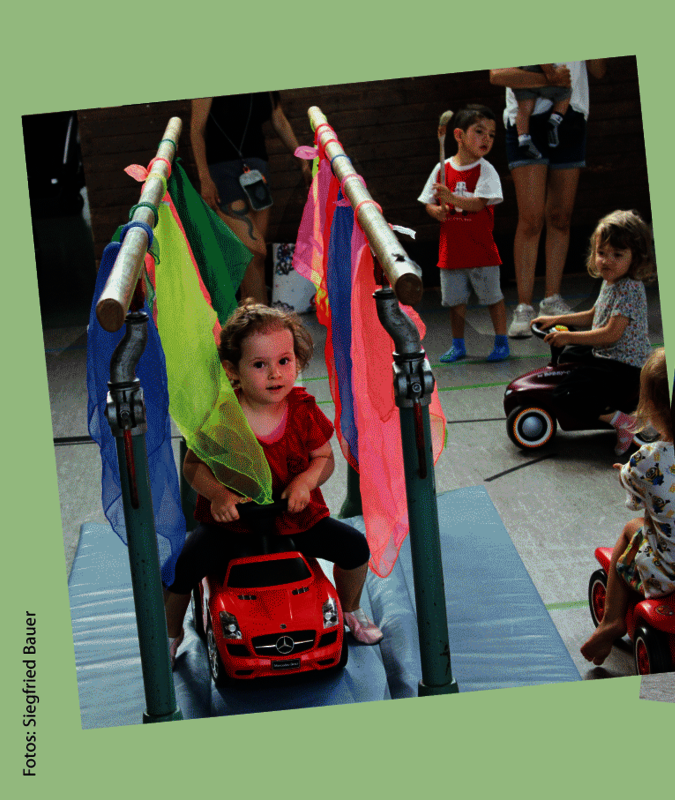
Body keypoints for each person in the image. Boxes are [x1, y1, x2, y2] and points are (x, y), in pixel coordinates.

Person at [163, 302, 383, 663]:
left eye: (284, 361)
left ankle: (350, 609)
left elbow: (324, 458)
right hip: (232, 525)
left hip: (295, 517)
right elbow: (193, 466)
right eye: (259, 365)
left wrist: (305, 482)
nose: (275, 374)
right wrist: (218, 495)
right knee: (181, 569)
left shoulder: (302, 409)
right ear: (233, 370)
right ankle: (170, 635)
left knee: (355, 548)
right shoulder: (222, 417)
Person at [580, 348, 675, 665]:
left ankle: (611, 620)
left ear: (649, 404)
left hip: (671, 570)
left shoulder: (646, 460)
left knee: (630, 529)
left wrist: (624, 476)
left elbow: (636, 502)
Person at [490, 60, 608, 338]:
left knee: (560, 217)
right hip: (526, 121)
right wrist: (550, 79)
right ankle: (523, 306)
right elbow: (498, 75)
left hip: (571, 117)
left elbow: (599, 70)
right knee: (531, 219)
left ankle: (552, 299)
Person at [531, 209, 654, 455]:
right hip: (608, 353)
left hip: (624, 365)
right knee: (568, 356)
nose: (606, 261)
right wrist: (556, 319)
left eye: (617, 254)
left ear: (635, 257)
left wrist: (568, 336)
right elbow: (592, 316)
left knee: (565, 394)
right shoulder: (611, 281)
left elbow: (610, 334)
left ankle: (623, 422)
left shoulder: (629, 288)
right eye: (601, 253)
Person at [190, 93, 310, 307]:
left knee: (253, 260)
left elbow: (279, 121)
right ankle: (264, 316)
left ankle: (251, 316)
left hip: (258, 174)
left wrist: (302, 160)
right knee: (254, 250)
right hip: (223, 174)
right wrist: (204, 178)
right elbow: (196, 130)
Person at [418, 104, 509, 363]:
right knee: (455, 302)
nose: (486, 138)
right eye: (479, 132)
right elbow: (428, 202)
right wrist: (436, 211)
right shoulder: (441, 169)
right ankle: (458, 345)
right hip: (452, 251)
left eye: (491, 135)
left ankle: (501, 342)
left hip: (482, 250)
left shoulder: (486, 170)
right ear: (458, 135)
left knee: (493, 298)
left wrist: (451, 198)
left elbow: (479, 204)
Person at [513, 64, 572, 159]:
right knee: (566, 90)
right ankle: (554, 120)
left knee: (524, 109)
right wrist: (551, 73)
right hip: (538, 74)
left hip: (520, 77)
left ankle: (523, 138)